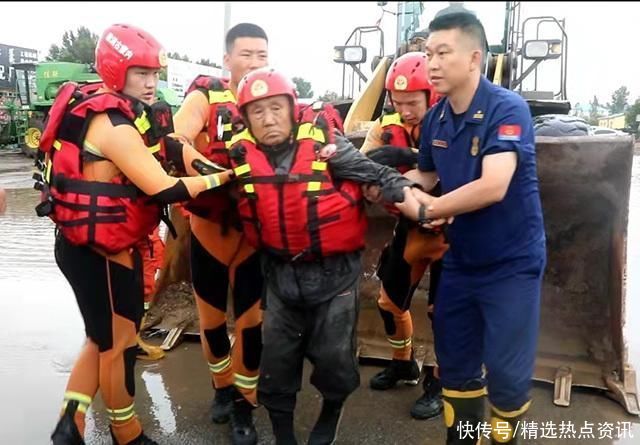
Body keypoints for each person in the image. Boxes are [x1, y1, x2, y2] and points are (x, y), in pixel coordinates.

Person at [41, 23, 234, 445]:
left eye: (154, 74)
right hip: (100, 252)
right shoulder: (112, 124)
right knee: (120, 343)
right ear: (116, 70)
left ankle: (67, 427)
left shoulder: (118, 108)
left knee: (99, 337)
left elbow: (171, 146)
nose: (151, 84)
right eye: (141, 74)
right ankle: (126, 434)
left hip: (88, 244)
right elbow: (163, 187)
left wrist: (205, 165)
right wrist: (227, 179)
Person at [229, 67, 421, 445]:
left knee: (334, 359)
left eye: (275, 109)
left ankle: (330, 413)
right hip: (281, 276)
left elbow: (377, 173)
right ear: (247, 120)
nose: (268, 119)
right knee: (276, 364)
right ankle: (284, 434)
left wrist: (416, 201)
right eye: (257, 112)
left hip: (335, 275)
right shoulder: (239, 156)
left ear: (290, 107)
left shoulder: (325, 145)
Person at [396, 12, 546, 445]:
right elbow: (422, 180)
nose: (432, 64)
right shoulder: (437, 120)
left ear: (475, 58)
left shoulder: (506, 107)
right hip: (461, 262)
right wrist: (388, 187)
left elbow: (494, 185)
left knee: (506, 373)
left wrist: (430, 210)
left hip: (511, 264)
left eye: (444, 53)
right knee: (457, 365)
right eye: (428, 54)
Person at [171, 22, 268, 445]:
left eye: (262, 55)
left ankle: (246, 405)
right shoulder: (206, 95)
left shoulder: (271, 98)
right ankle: (222, 390)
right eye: (246, 55)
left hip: (251, 232)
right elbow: (175, 140)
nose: (254, 63)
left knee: (251, 324)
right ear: (226, 58)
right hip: (209, 226)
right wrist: (217, 175)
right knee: (211, 321)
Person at [360, 51, 447, 420]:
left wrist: (404, 154)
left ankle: (441, 384)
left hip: (450, 237)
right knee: (389, 303)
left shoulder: (452, 125)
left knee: (444, 315)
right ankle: (403, 364)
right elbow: (363, 164)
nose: (405, 110)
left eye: (412, 101)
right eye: (398, 102)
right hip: (409, 230)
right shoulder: (384, 126)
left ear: (432, 95)